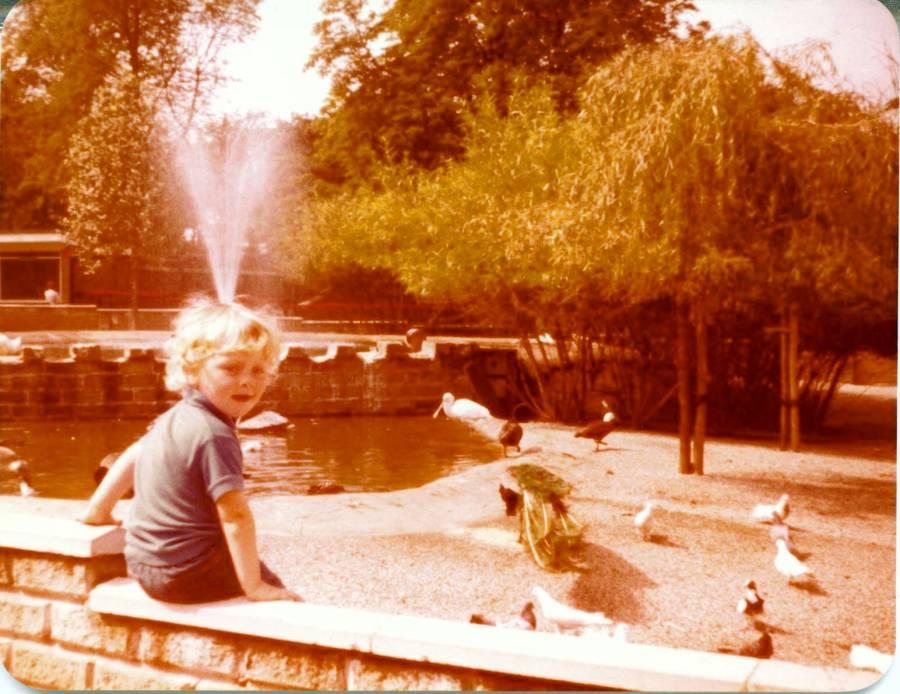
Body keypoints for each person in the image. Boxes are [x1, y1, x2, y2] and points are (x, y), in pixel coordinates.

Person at [79, 297, 301, 604]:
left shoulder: (171, 417)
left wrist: (98, 511)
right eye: (231, 368)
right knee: (277, 590)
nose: (247, 381)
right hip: (185, 574)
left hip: (144, 565)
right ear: (192, 371)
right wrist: (255, 586)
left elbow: (133, 454)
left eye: (258, 370)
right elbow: (236, 516)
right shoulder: (215, 434)